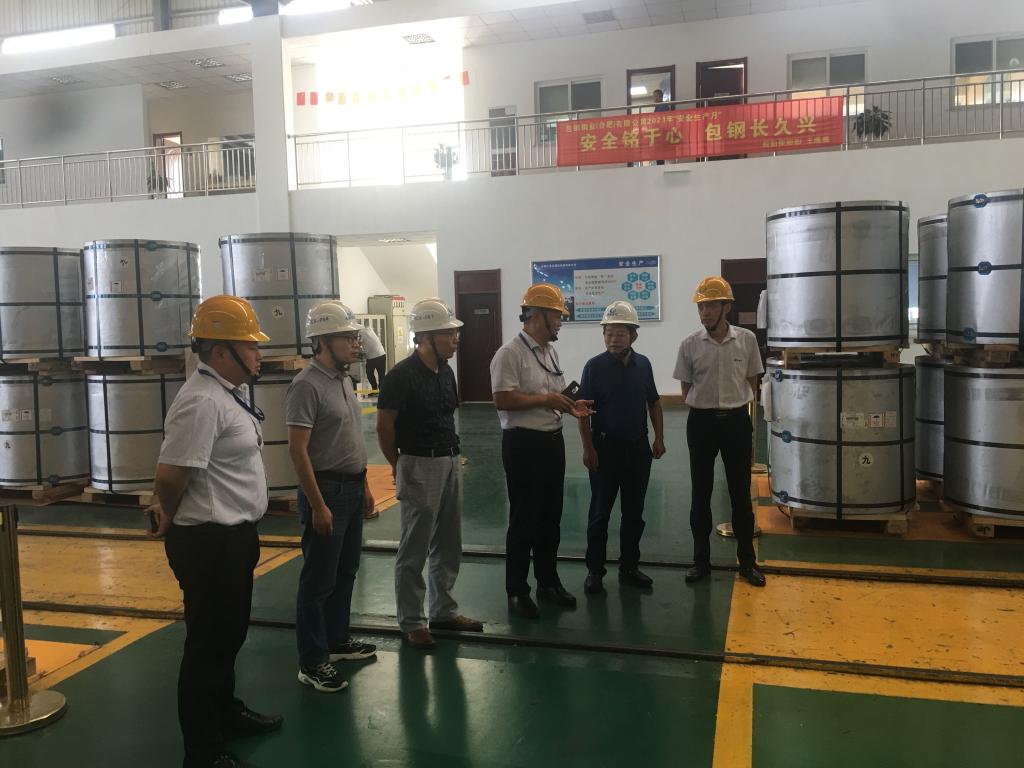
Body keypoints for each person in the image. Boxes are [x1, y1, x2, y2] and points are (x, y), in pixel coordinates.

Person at [150, 295, 283, 768]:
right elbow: (171, 475)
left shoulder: (227, 392)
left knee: (228, 638)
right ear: (222, 351)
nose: (259, 354)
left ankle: (226, 714)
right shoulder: (202, 401)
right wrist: (168, 513)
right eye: (251, 346)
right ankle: (203, 752)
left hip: (233, 537)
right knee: (208, 647)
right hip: (209, 542)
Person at [377, 298, 483, 650]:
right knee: (415, 546)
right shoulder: (400, 377)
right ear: (425, 337)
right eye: (448, 334)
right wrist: (398, 465)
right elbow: (384, 427)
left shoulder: (446, 372)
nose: (456, 340)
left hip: (450, 460)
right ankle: (412, 621)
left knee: (449, 542)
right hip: (418, 463)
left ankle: (443, 611)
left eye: (455, 333)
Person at [286, 300, 377, 694]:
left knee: (346, 571)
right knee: (318, 581)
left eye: (356, 337)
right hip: (327, 491)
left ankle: (337, 641)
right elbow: (297, 450)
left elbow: (350, 438)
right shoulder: (306, 385)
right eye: (348, 338)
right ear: (323, 341)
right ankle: (312, 660)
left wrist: (365, 485)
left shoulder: (343, 379)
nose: (356, 344)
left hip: (352, 488)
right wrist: (318, 504)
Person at [489, 283, 593, 620]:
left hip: (552, 442)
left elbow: (552, 394)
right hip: (523, 446)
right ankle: (517, 590)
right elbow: (503, 399)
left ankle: (548, 583)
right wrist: (547, 399)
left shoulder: (549, 352)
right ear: (538, 315)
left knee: (550, 518)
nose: (561, 322)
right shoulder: (509, 354)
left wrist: (570, 405)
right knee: (524, 519)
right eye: (557, 316)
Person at [673, 277, 766, 587]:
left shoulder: (746, 340)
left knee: (740, 493)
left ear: (726, 307)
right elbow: (686, 389)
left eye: (711, 306)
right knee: (700, 493)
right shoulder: (689, 344)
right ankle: (701, 561)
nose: (705, 312)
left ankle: (747, 562)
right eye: (701, 307)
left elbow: (752, 382)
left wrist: (732, 405)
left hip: (736, 422)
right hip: (701, 423)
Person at [578, 300, 665, 595]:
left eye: (620, 333)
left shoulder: (644, 365)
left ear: (633, 336)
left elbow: (654, 403)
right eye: (608, 333)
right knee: (599, 513)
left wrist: (659, 438)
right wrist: (588, 449)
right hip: (605, 450)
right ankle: (595, 571)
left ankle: (629, 567)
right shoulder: (594, 367)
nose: (613, 339)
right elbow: (583, 412)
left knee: (634, 513)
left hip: (638, 450)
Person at [360, 324, 387, 393]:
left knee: (370, 373)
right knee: (380, 374)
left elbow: (358, 344)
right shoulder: (369, 329)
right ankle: (380, 391)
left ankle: (376, 390)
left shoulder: (361, 333)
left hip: (374, 356)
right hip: (381, 354)